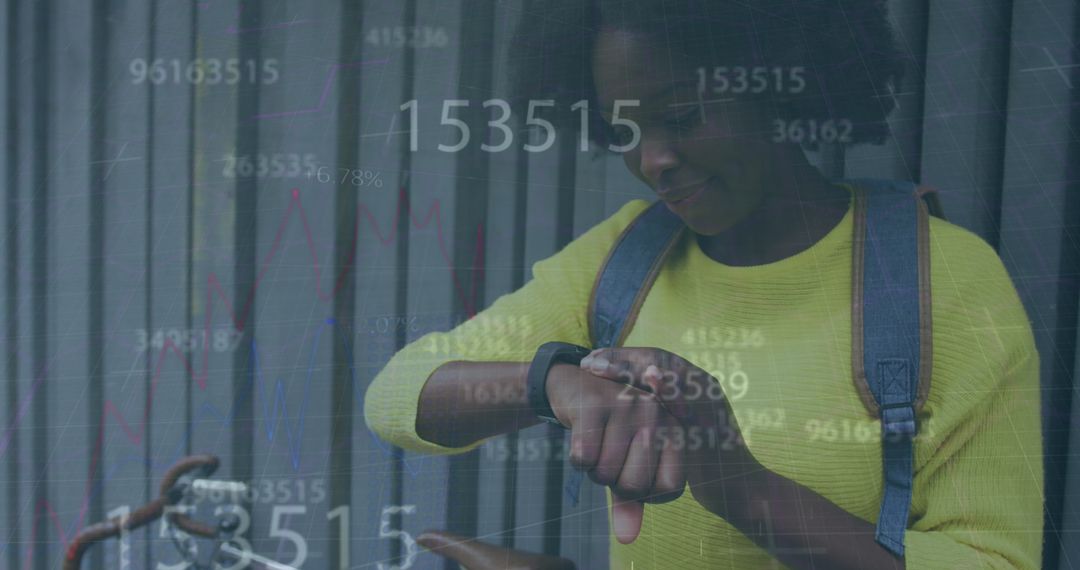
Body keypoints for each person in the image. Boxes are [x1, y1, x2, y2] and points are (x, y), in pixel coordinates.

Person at [365, 1, 1044, 568]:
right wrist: (555, 382)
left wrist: (744, 489)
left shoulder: (941, 278)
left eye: (682, 116)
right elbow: (396, 393)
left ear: (781, 82)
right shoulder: (628, 255)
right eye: (623, 129)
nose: (651, 160)